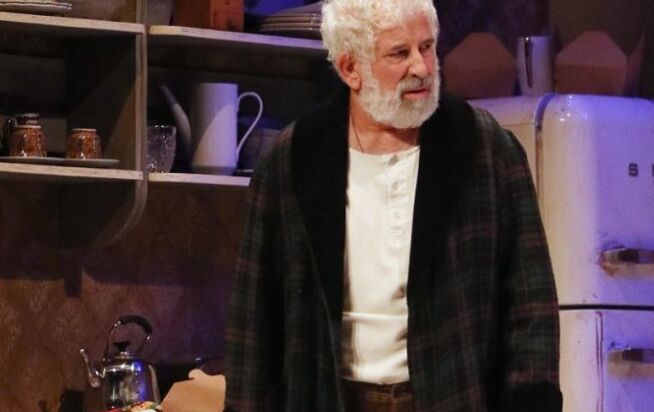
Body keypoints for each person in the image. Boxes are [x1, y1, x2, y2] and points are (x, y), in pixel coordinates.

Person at [225, 0, 561, 410]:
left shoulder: (483, 147)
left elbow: (530, 301)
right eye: (399, 53)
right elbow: (255, 314)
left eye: (427, 47)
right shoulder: (296, 157)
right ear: (350, 68)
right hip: (330, 396)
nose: (421, 67)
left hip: (450, 395)